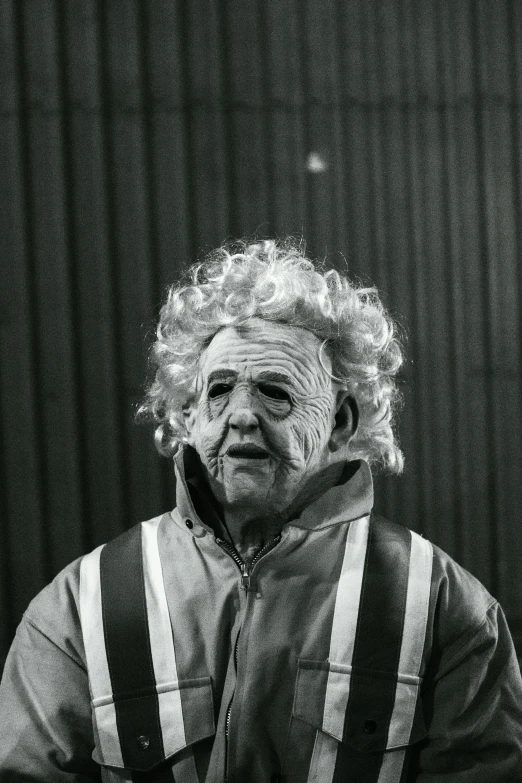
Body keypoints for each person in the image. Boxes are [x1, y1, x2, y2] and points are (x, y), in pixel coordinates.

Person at [1, 239, 521, 783]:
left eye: (275, 392)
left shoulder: (439, 603)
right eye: (220, 391)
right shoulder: (83, 604)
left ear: (341, 423)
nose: (243, 415)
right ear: (189, 416)